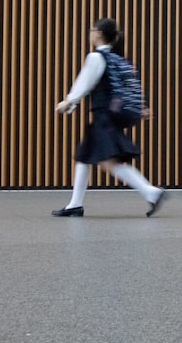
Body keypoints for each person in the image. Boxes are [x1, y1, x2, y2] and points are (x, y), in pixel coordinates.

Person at [52, 18, 167, 217]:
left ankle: (152, 192)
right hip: (107, 118)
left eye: (92, 30)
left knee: (110, 163)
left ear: (98, 34)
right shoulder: (117, 59)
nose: (90, 33)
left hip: (103, 118)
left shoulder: (96, 58)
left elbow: (84, 83)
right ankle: (75, 204)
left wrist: (68, 102)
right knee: (84, 158)